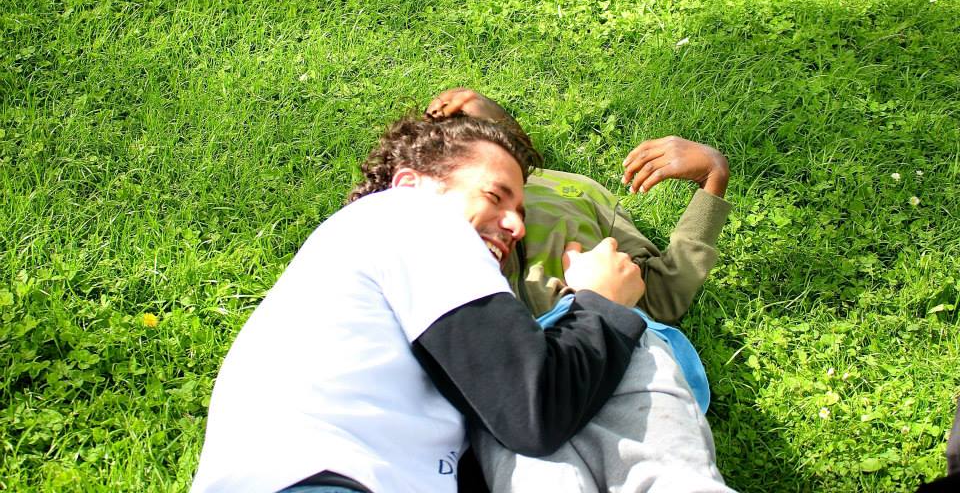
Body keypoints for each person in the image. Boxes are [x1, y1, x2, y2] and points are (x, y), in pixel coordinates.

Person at [191, 113, 650, 493]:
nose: (517, 226)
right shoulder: (416, 216)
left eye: (521, 212)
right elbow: (533, 411)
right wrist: (601, 302)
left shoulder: (378, 270)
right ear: (409, 183)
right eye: (495, 196)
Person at [426, 89, 736, 493]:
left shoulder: (576, 192)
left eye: (487, 121)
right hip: (511, 374)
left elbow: (660, 296)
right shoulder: (426, 214)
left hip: (614, 352)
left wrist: (713, 178)